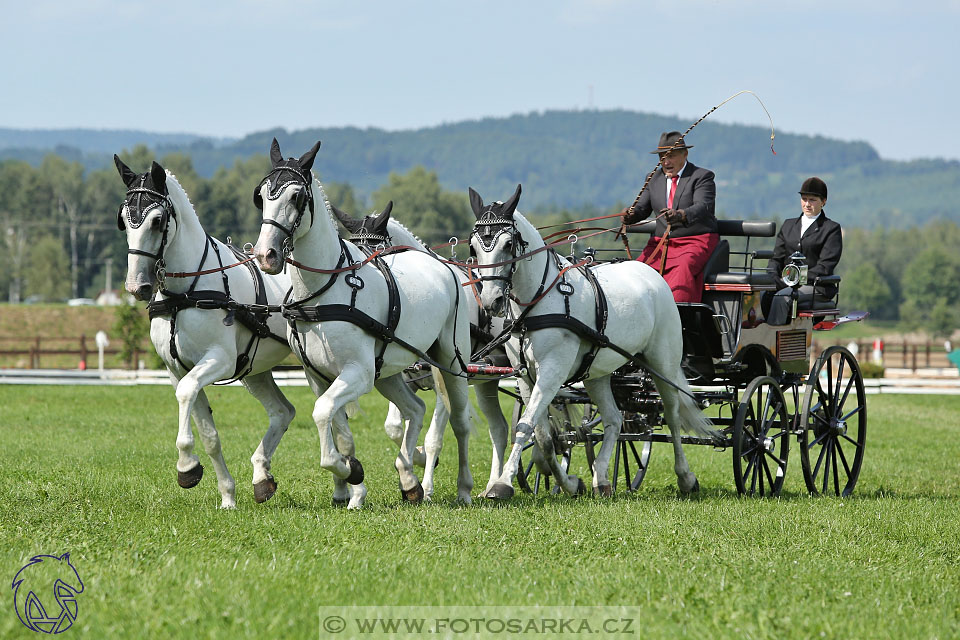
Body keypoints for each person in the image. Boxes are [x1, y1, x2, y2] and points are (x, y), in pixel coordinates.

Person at [621, 131, 719, 303]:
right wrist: (630, 215)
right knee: (638, 272)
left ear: (685, 154)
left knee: (682, 270)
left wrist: (681, 215)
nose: (665, 162)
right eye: (661, 157)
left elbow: (703, 207)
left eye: (671, 156)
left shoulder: (702, 177)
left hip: (695, 240)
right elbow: (642, 209)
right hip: (660, 243)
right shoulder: (653, 178)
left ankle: (680, 316)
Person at [762, 177, 842, 325]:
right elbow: (776, 259)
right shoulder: (788, 225)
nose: (807, 204)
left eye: (812, 200)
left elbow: (824, 267)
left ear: (823, 201)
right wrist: (772, 277)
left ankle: (773, 340)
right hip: (784, 283)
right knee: (758, 294)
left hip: (816, 286)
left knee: (782, 298)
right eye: (804, 199)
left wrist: (793, 280)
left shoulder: (831, 229)